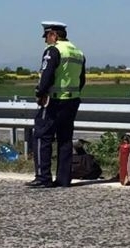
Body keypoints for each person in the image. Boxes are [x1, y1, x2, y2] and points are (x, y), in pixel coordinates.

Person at [26, 21, 86, 188]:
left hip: (54, 100)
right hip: (72, 100)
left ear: (54, 34)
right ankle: (63, 179)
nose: (45, 40)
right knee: (65, 139)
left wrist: (40, 93)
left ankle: (43, 177)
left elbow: (47, 74)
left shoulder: (54, 50)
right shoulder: (78, 52)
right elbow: (82, 80)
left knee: (41, 136)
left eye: (46, 36)